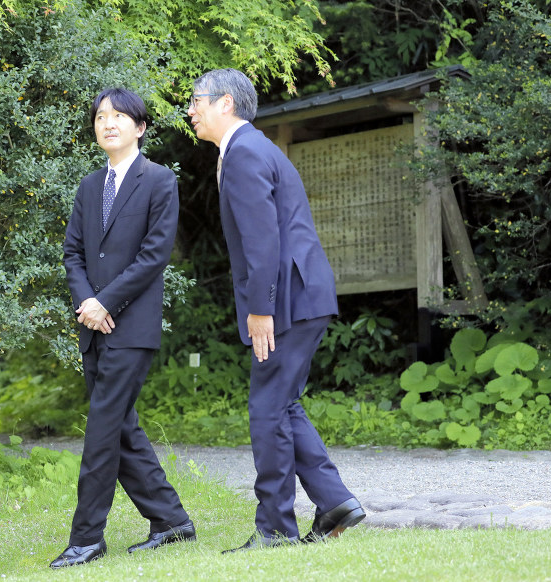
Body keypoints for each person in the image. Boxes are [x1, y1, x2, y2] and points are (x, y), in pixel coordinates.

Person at [187, 68, 365, 552]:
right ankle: (335, 504)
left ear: (226, 103)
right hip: (301, 295)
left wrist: (260, 310)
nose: (190, 110)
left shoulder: (244, 153)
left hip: (286, 300)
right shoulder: (254, 149)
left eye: (197, 100)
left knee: (267, 409)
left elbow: (262, 239)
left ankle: (275, 530)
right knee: (283, 404)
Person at [50, 88, 195, 569]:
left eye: (118, 116)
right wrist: (86, 303)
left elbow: (155, 256)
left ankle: (87, 538)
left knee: (100, 431)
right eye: (100, 117)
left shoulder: (159, 181)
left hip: (131, 327)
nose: (107, 123)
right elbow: (72, 254)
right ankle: (171, 521)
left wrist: (104, 301)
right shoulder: (89, 187)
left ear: (140, 126)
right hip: (91, 326)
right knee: (121, 428)